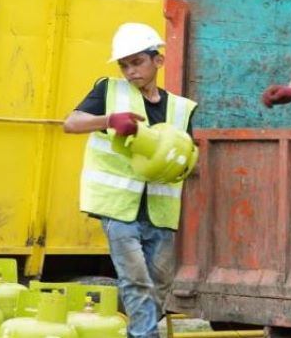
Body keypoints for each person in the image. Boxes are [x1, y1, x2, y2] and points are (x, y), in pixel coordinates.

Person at [63, 22, 197, 338]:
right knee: (135, 279)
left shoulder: (181, 108)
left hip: (160, 212)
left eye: (137, 62)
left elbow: (187, 153)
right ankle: (144, 335)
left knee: (160, 283)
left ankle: (138, 331)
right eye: (124, 65)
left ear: (157, 60)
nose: (130, 71)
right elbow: (71, 123)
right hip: (118, 208)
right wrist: (109, 119)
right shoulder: (109, 92)